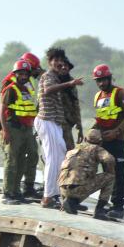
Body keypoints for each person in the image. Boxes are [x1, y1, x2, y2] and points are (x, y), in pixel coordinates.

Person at [35, 47, 82, 209]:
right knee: (53, 160)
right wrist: (70, 83)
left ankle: (54, 194)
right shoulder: (48, 76)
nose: (58, 63)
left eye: (61, 61)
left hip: (54, 122)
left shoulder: (57, 77)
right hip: (47, 120)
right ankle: (47, 197)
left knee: (60, 157)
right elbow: (47, 90)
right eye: (55, 60)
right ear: (49, 62)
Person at [92, 64, 124, 218]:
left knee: (119, 173)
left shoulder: (120, 93)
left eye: (104, 79)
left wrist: (117, 131)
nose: (101, 83)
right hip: (103, 140)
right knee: (107, 172)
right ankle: (106, 203)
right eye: (98, 81)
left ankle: (118, 206)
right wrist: (91, 131)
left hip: (117, 140)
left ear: (109, 78)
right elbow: (100, 118)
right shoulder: (97, 96)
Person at [0, 59, 40, 204]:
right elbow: (2, 109)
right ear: (16, 74)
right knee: (11, 160)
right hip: (13, 128)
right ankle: (7, 193)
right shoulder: (11, 89)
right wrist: (5, 130)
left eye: (25, 73)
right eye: (20, 73)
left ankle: (16, 191)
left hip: (27, 129)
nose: (23, 76)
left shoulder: (27, 90)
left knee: (25, 158)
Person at [58, 128, 116, 219]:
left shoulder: (75, 148)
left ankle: (70, 202)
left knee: (73, 176)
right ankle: (99, 210)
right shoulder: (96, 148)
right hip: (79, 189)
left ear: (85, 139)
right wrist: (110, 170)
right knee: (110, 177)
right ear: (100, 142)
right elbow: (110, 159)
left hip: (62, 188)